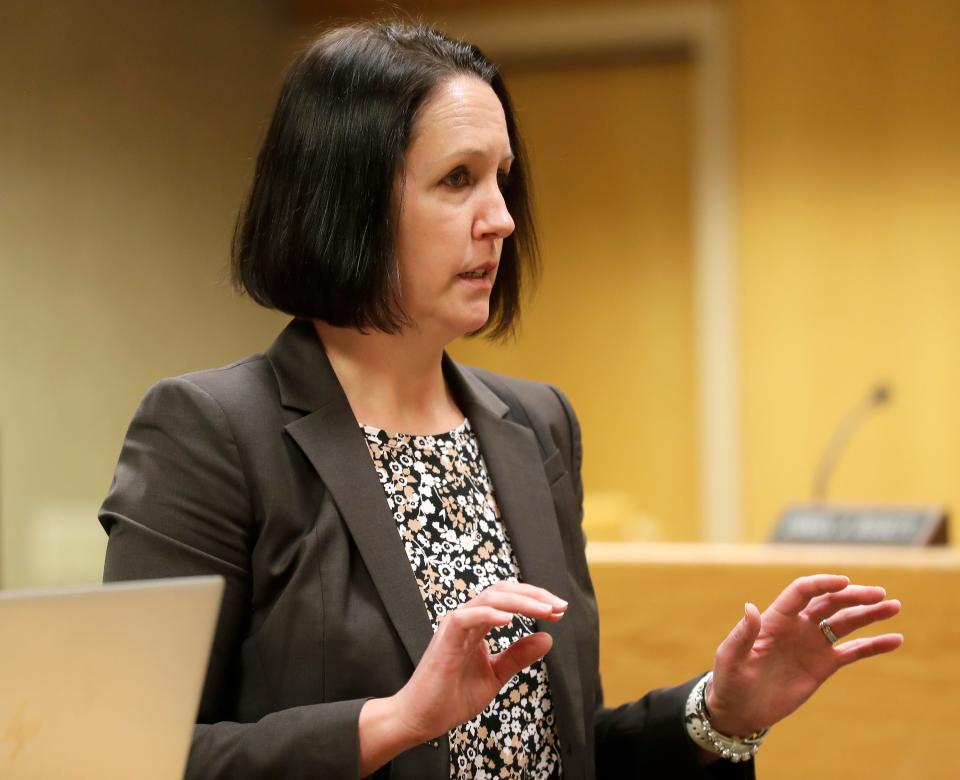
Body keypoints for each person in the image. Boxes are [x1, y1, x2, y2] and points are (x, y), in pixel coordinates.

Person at [99, 20, 903, 780]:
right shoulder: (211, 432)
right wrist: (395, 720)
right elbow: (124, 754)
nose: (503, 220)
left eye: (501, 180)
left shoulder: (537, 424)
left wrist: (718, 714)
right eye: (457, 180)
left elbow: (554, 748)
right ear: (344, 200)